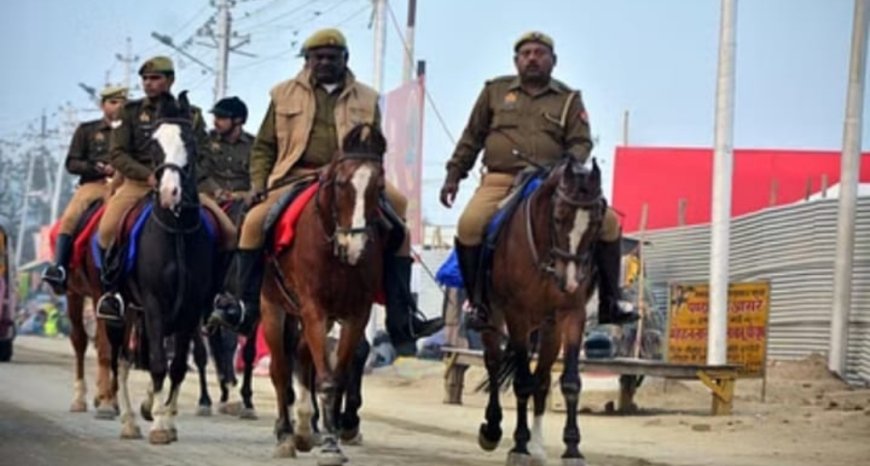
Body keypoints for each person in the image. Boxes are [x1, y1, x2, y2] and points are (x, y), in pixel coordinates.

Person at [209, 29, 442, 354]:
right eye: (318, 57)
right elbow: (263, 146)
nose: (325, 62)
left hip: (349, 174)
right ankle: (245, 307)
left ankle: (402, 318)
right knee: (252, 224)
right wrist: (260, 184)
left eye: (332, 57)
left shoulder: (367, 97)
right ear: (307, 61)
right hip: (296, 175)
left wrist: (366, 173)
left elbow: (373, 146)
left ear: (345, 59)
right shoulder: (282, 94)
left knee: (399, 222)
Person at [439, 31, 638, 330]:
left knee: (609, 223)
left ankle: (611, 300)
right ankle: (478, 303)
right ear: (516, 60)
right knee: (468, 226)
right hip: (500, 180)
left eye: (540, 53)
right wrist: (454, 174)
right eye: (526, 53)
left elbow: (581, 143)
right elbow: (472, 137)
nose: (533, 58)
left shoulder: (569, 99)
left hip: (552, 183)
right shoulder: (495, 91)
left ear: (553, 61)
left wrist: (565, 167)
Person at [94, 56, 238, 321]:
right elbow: (118, 154)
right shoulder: (131, 112)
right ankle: (112, 293)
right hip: (139, 184)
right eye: (146, 79)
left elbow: (204, 153)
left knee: (229, 232)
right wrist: (147, 175)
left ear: (170, 80)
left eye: (156, 78)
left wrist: (192, 179)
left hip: (183, 185)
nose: (149, 83)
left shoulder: (191, 114)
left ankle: (220, 293)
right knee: (105, 231)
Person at [42, 86, 127, 294]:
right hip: (95, 185)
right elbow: (72, 163)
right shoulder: (87, 130)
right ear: (102, 105)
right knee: (71, 216)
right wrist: (95, 167)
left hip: (125, 184)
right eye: (113, 102)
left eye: (122, 103)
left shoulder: (131, 131)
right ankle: (60, 267)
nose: (118, 107)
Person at [198, 96, 254, 200]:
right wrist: (215, 190)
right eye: (215, 117)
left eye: (221, 118)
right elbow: (200, 173)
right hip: (210, 202)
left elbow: (259, 176)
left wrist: (243, 195)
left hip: (243, 203)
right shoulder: (206, 142)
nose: (215, 122)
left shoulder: (254, 146)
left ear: (238, 120)